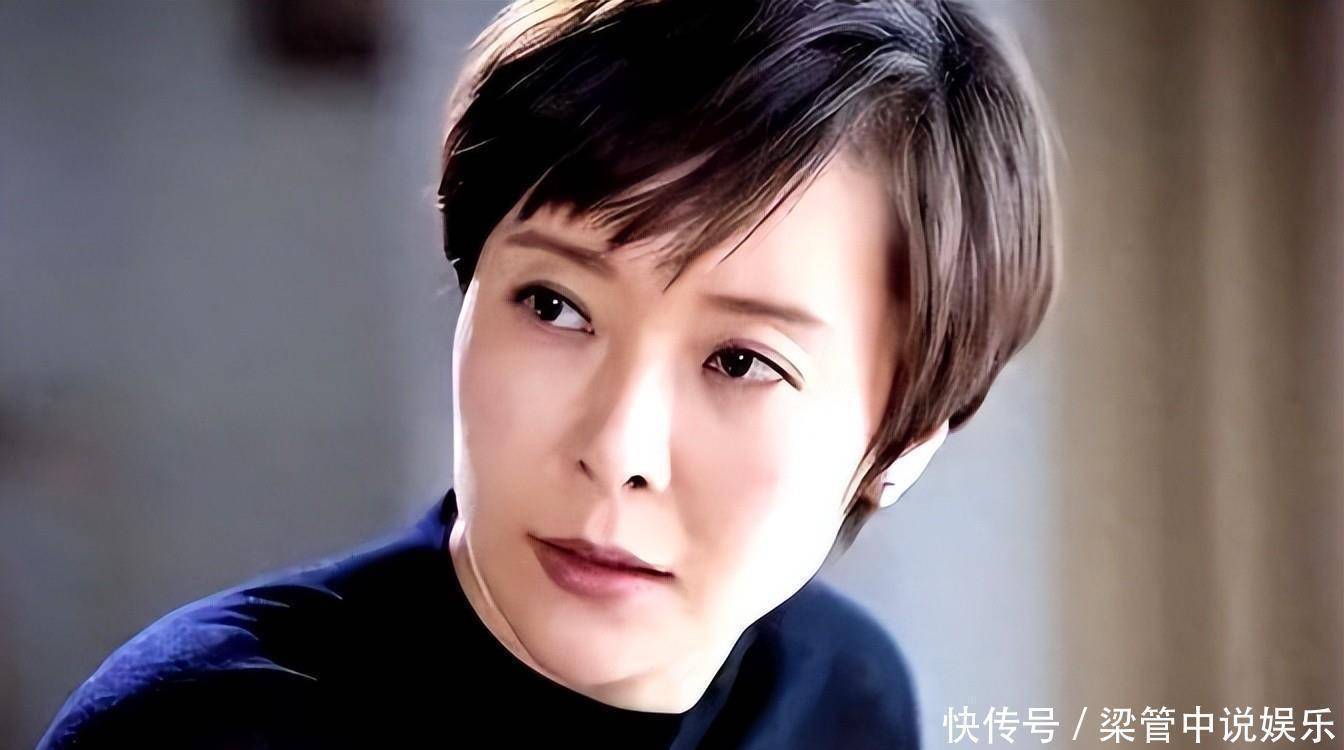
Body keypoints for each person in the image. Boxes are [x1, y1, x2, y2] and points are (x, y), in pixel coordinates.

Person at [38, 0, 1056, 747]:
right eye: (554, 306)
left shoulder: (844, 696)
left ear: (902, 440)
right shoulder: (210, 727)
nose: (616, 449)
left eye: (741, 361)